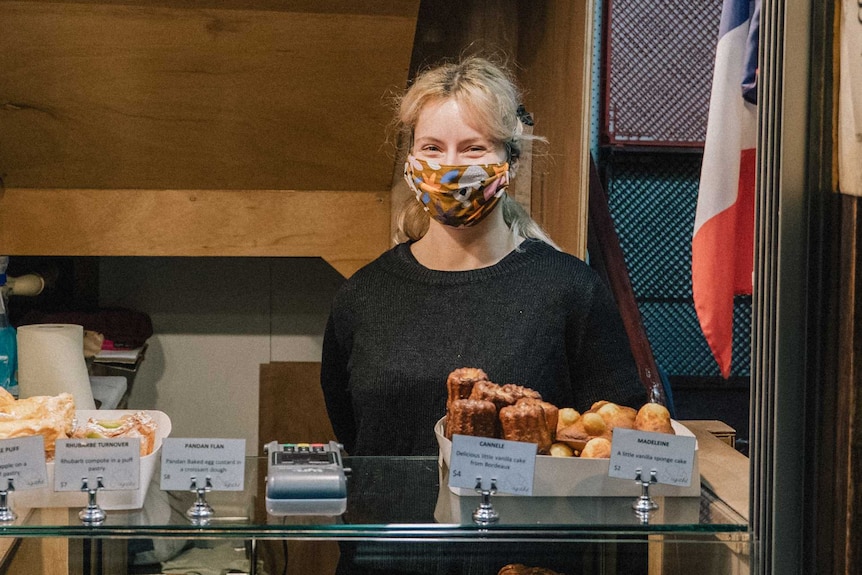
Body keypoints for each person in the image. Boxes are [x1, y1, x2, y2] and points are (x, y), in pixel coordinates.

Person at [320, 55, 646, 460]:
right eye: (433, 148)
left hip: (519, 523)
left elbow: (613, 438)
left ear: (509, 162)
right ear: (409, 161)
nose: (451, 166)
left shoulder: (570, 290)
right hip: (389, 523)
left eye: (474, 148)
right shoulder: (362, 296)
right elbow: (353, 433)